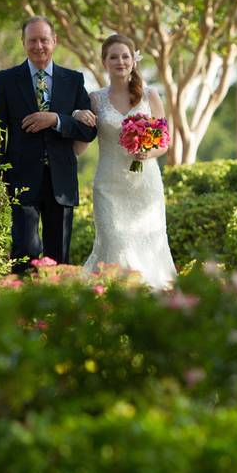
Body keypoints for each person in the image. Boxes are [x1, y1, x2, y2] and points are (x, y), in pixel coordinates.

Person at [0, 16, 97, 275]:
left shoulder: (74, 80)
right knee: (24, 249)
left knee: (58, 257)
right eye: (32, 41)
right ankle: (20, 306)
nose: (39, 46)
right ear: (23, 42)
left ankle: (56, 308)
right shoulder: (5, 80)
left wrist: (57, 119)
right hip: (20, 178)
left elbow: (88, 129)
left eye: (44, 40)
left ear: (55, 41)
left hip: (61, 180)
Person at [73, 33, 177, 289]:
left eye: (125, 56)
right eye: (114, 57)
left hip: (145, 185)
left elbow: (164, 141)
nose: (120, 61)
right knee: (115, 241)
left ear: (133, 60)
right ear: (104, 62)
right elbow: (81, 145)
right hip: (109, 186)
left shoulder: (150, 95)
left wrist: (148, 152)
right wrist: (76, 115)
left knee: (151, 243)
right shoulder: (95, 99)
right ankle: (112, 300)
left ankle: (150, 301)